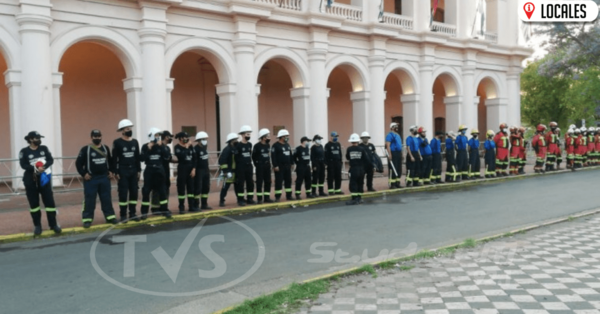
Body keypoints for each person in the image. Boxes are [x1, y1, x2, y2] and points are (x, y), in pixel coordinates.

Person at [19, 131, 61, 236]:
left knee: (49, 201)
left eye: (39, 138)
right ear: (30, 139)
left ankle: (53, 224)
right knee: (34, 203)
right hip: (31, 178)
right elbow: (23, 165)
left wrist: (44, 167)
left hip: (44, 177)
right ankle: (37, 226)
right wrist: (35, 168)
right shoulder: (24, 151)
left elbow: (50, 160)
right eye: (36, 138)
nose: (38, 140)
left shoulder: (44, 149)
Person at [76, 129, 117, 228]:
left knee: (106, 198)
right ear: (91, 138)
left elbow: (111, 161)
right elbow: (78, 163)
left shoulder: (105, 148)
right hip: (91, 179)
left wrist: (111, 171)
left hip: (104, 178)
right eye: (95, 136)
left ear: (101, 137)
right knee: (89, 199)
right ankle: (87, 219)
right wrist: (83, 174)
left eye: (99, 136)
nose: (97, 138)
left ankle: (110, 217)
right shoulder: (85, 149)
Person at [112, 119, 141, 222]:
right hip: (123, 170)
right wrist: (115, 171)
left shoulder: (135, 142)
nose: (130, 130)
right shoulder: (117, 142)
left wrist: (139, 170)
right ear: (122, 130)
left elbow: (137, 157)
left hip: (133, 170)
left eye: (130, 128)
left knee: (134, 192)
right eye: (127, 129)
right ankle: (123, 215)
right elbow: (114, 158)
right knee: (123, 193)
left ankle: (132, 213)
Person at [140, 128, 172, 219]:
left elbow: (167, 157)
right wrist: (148, 149)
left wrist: (162, 147)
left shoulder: (161, 146)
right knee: (146, 191)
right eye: (156, 135)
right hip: (149, 171)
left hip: (159, 171)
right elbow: (142, 158)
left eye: (159, 135)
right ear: (152, 135)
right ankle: (144, 213)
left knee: (162, 191)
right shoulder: (145, 146)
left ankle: (164, 210)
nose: (158, 137)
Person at [151, 130, 174, 214]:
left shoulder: (167, 148)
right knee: (157, 189)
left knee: (166, 188)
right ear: (165, 137)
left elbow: (169, 158)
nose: (171, 138)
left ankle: (164, 207)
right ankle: (155, 208)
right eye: (170, 137)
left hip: (166, 171)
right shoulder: (157, 147)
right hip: (158, 171)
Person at [345, 133, 371, 205]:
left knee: (353, 183)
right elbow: (366, 159)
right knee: (360, 183)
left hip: (354, 168)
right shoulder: (361, 149)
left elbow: (347, 157)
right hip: (361, 169)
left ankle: (354, 199)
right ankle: (359, 198)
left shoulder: (349, 149)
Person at [174, 132, 197, 214]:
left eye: (187, 137)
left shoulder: (191, 147)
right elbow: (181, 157)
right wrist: (186, 147)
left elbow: (195, 158)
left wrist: (194, 169)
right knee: (181, 189)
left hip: (191, 169)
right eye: (184, 137)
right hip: (182, 169)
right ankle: (181, 207)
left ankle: (191, 206)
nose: (186, 139)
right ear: (180, 138)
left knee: (191, 189)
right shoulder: (177, 147)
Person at [272, 129, 294, 201]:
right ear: (281, 137)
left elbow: (290, 155)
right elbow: (273, 156)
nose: (287, 137)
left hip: (287, 166)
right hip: (279, 167)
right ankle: (277, 197)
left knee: (288, 181)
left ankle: (289, 196)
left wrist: (292, 163)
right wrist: (275, 165)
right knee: (279, 182)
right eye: (286, 136)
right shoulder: (275, 146)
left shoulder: (287, 145)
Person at [253, 128, 274, 204]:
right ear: (263, 137)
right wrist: (257, 165)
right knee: (259, 182)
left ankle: (267, 197)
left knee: (268, 182)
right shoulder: (257, 146)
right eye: (268, 136)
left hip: (267, 166)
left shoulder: (268, 145)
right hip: (260, 166)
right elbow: (254, 157)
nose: (269, 137)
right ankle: (259, 199)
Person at [236, 125, 255, 206]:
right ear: (243, 135)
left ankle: (250, 198)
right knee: (240, 183)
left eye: (249, 134)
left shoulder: (250, 144)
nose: (249, 136)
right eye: (247, 134)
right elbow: (236, 157)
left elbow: (250, 155)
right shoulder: (238, 145)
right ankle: (240, 199)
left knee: (250, 182)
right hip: (241, 167)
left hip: (249, 166)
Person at [218, 133, 239, 207]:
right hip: (229, 172)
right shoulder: (227, 149)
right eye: (235, 140)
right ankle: (221, 200)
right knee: (225, 187)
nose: (237, 141)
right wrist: (226, 171)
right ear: (231, 141)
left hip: (236, 171)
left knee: (238, 186)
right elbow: (222, 161)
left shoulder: (236, 149)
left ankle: (239, 199)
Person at [193, 131, 212, 210]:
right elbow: (194, 161)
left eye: (206, 139)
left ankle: (204, 204)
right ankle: (196, 205)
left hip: (206, 170)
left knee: (206, 187)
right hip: (199, 171)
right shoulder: (195, 149)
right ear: (199, 140)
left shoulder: (204, 148)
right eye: (203, 139)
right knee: (198, 188)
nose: (205, 141)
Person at [385, 123, 403, 189]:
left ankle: (397, 183)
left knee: (398, 168)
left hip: (398, 152)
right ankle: (392, 184)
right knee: (393, 168)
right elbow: (388, 145)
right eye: (395, 126)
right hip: (393, 153)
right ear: (392, 127)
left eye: (397, 126)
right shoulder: (390, 135)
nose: (397, 127)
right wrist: (390, 154)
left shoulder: (398, 135)